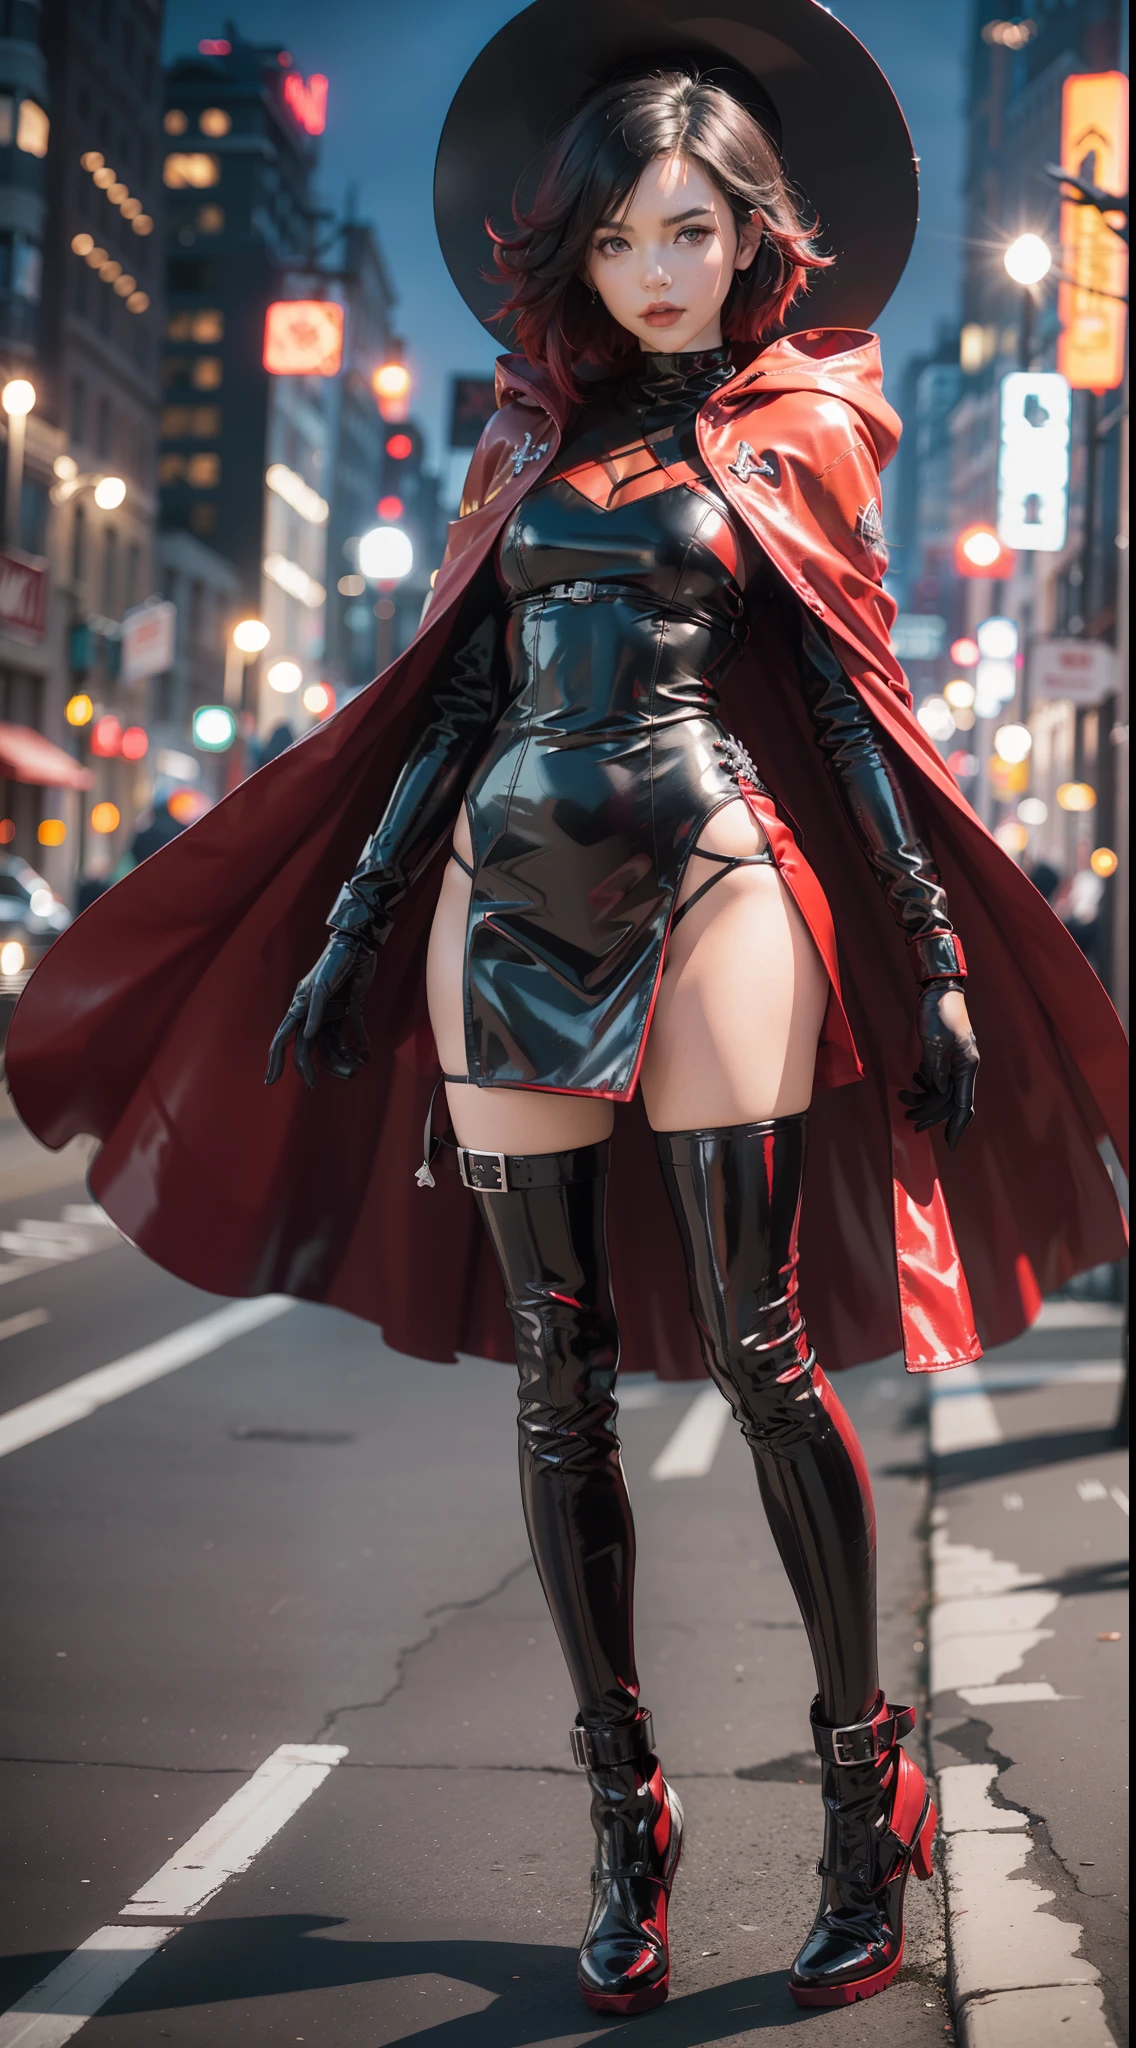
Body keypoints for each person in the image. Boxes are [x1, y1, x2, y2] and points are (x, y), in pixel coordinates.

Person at [6, 0, 1127, 2020]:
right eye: (619, 238)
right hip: (503, 896)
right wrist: (350, 933)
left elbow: (859, 727)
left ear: (755, 232)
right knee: (556, 1368)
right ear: (572, 253)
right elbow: (446, 693)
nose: (655, 267)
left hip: (721, 879)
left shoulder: (800, 427)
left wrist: (935, 953)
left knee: (766, 1350)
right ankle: (629, 1809)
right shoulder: (522, 430)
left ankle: (867, 1799)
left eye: (690, 229)